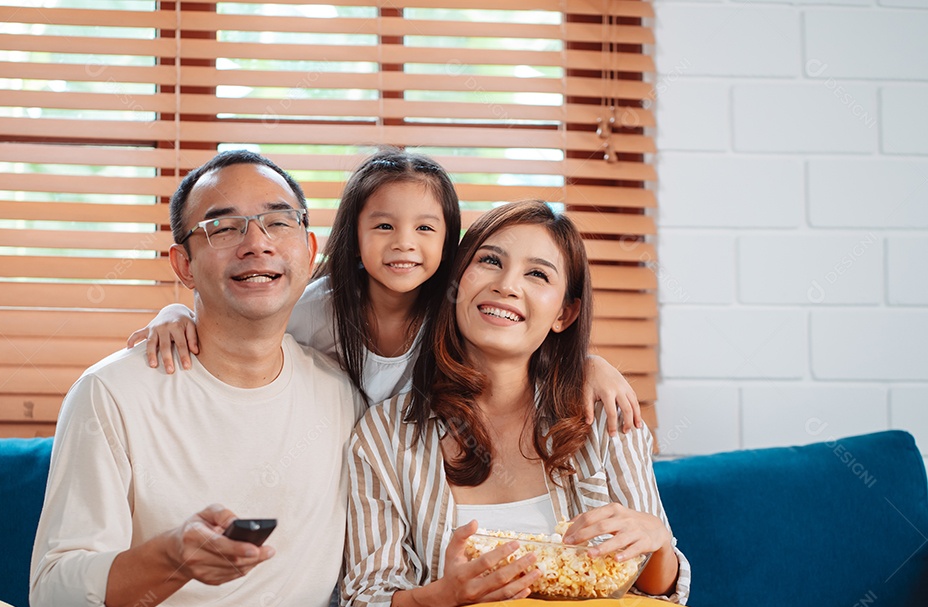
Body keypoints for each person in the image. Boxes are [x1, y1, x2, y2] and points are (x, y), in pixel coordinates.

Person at [29, 150, 372, 607]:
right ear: (183, 264)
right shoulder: (111, 391)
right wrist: (171, 557)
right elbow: (55, 603)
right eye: (224, 227)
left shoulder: (344, 398)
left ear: (309, 250)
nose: (256, 243)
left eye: (278, 221)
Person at [340, 200, 691, 607]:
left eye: (537, 274)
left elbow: (661, 596)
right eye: (490, 261)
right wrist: (446, 596)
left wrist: (657, 542)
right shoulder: (384, 435)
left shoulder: (604, 416)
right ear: (456, 283)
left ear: (564, 313)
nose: (507, 285)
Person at [126, 148, 642, 435]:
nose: (404, 244)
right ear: (353, 235)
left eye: (425, 229)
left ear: (449, 241)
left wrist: (590, 363)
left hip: (407, 483)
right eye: (383, 226)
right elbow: (244, 328)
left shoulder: (456, 312)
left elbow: (520, 350)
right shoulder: (316, 310)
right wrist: (176, 312)